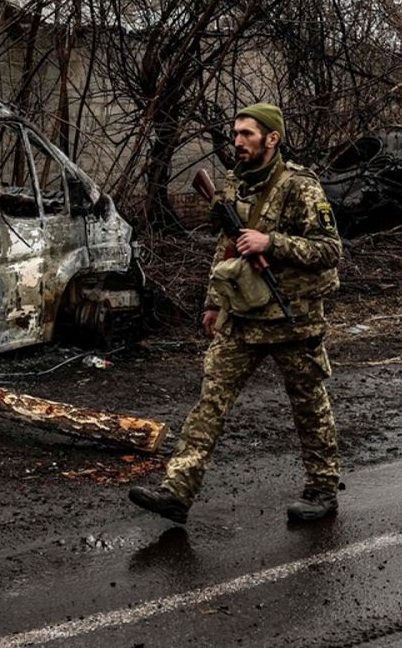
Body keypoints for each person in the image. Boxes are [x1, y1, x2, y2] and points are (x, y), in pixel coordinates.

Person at [129, 102, 344, 525]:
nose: (238, 141)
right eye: (236, 134)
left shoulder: (301, 186)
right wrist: (213, 302)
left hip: (292, 318)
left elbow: (330, 250)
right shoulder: (233, 183)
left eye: (247, 134)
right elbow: (226, 247)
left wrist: (272, 243)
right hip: (242, 316)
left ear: (272, 138)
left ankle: (322, 489)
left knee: (309, 406)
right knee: (210, 402)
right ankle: (177, 491)